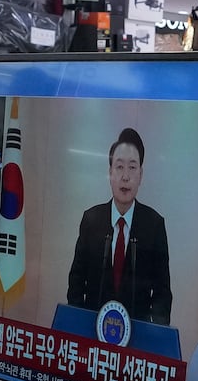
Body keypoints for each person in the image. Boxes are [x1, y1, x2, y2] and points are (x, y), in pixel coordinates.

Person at [65, 128, 172, 325]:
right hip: (91, 335)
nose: (125, 177)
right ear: (110, 173)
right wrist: (78, 324)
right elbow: (76, 282)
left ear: (141, 174)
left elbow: (162, 293)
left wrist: (154, 334)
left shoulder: (155, 225)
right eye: (119, 167)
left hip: (136, 340)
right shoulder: (91, 220)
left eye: (132, 167)